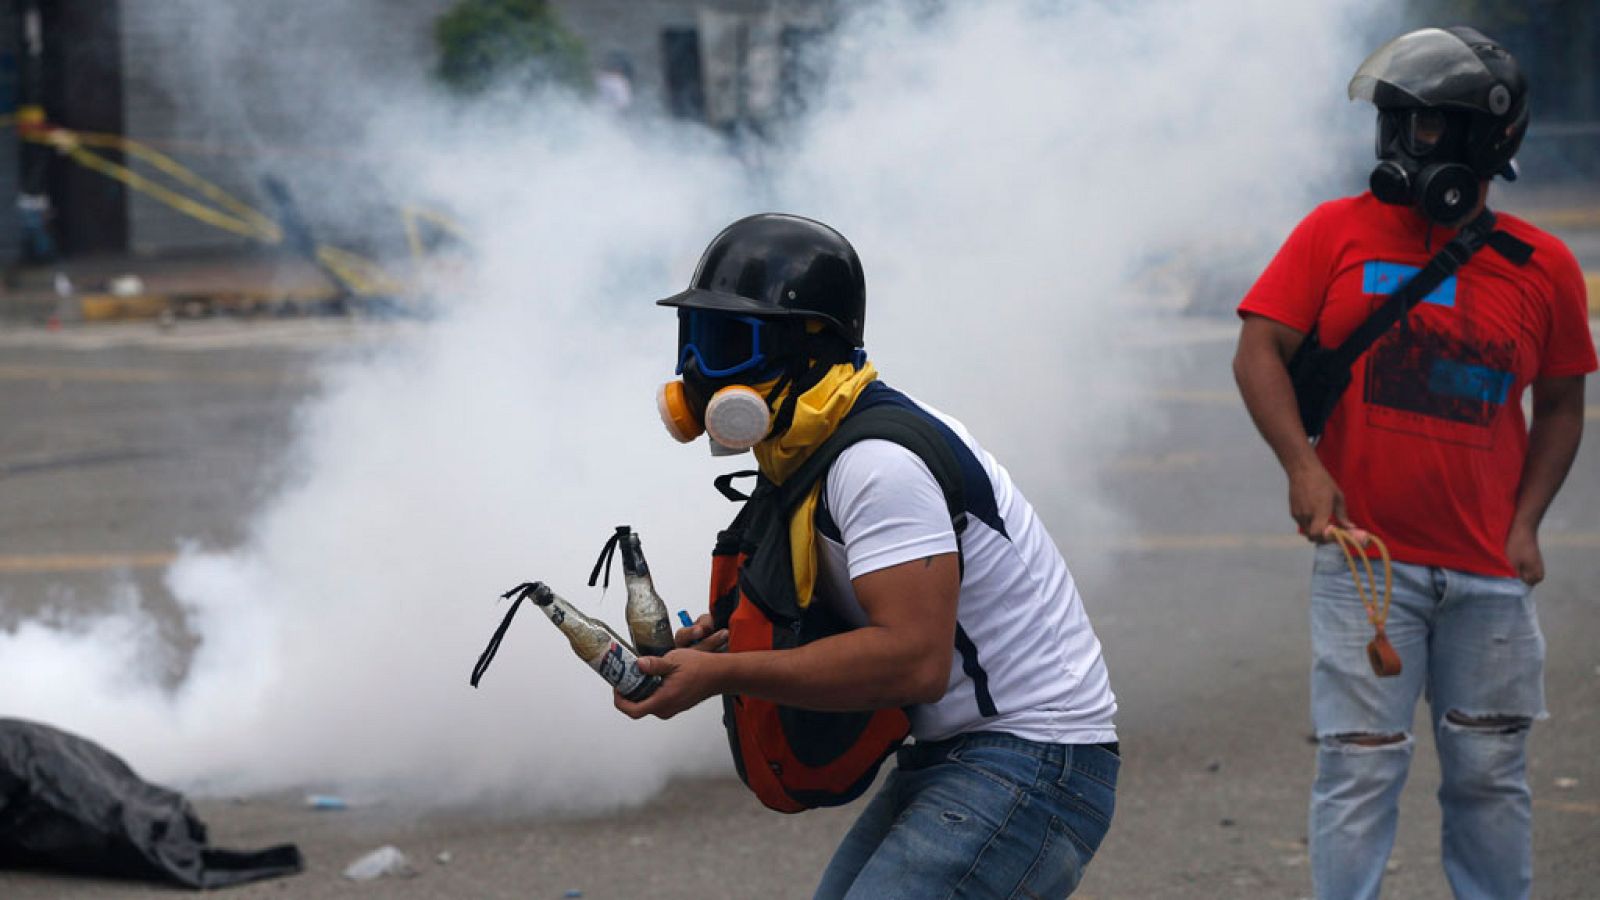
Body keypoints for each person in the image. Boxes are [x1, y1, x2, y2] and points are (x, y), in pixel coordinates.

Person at [618, 213, 1120, 898]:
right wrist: (723, 645)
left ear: (810, 346)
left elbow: (913, 661)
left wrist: (721, 674)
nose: (700, 373)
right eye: (696, 341)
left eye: (730, 344)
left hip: (1033, 756)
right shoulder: (812, 446)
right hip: (967, 752)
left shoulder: (877, 464)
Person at [1232, 26, 1595, 900]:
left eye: (1425, 125)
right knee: (1357, 771)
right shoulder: (1333, 232)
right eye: (1396, 122)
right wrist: (1303, 468)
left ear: (1486, 139)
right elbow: (1258, 351)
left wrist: (1526, 524)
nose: (1402, 143)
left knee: (1490, 778)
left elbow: (1561, 405)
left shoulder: (1543, 266)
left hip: (1489, 575)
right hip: (1367, 569)